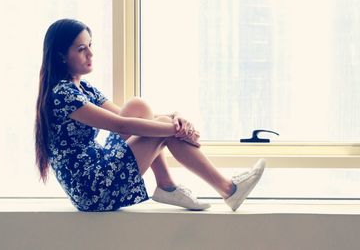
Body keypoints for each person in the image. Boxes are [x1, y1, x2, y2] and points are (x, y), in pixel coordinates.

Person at [35, 18, 265, 212]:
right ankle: (229, 190)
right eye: (81, 49)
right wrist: (175, 130)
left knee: (138, 106)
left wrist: (174, 118)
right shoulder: (62, 94)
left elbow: (134, 118)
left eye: (90, 45)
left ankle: (167, 187)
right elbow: (122, 126)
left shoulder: (83, 89)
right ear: (61, 56)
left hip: (98, 169)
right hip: (92, 187)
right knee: (159, 125)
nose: (91, 54)